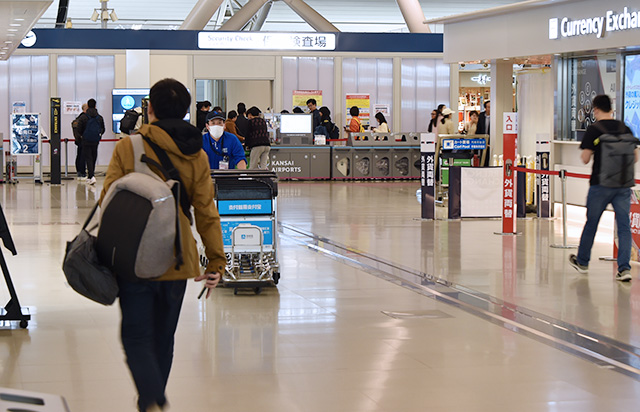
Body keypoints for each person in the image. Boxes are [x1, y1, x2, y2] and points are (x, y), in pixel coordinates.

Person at [100, 78, 226, 411]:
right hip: (177, 255)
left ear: (150, 108)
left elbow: (107, 201)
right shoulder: (196, 153)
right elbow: (206, 212)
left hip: (134, 253)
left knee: (135, 335)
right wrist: (216, 262)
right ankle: (151, 400)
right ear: (187, 111)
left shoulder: (128, 147)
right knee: (163, 337)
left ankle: (154, 401)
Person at [569, 94, 639, 282]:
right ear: (611, 108)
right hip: (623, 185)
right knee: (624, 227)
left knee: (592, 223)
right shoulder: (625, 128)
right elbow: (635, 156)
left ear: (596, 109)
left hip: (600, 185)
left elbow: (585, 158)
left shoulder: (594, 129)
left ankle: (583, 261)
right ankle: (624, 268)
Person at [76, 98, 105, 185]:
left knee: (88, 157)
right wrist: (99, 134)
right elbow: (103, 129)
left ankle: (91, 176)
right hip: (95, 140)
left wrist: (82, 136)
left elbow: (78, 129)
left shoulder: (84, 117)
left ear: (88, 106)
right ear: (95, 106)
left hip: (86, 140)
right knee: (94, 156)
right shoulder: (99, 117)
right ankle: (90, 176)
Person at [71, 103, 89, 180]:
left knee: (79, 155)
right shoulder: (85, 118)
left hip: (79, 140)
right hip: (84, 140)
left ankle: (79, 171)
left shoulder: (78, 118)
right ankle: (82, 172)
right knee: (83, 156)